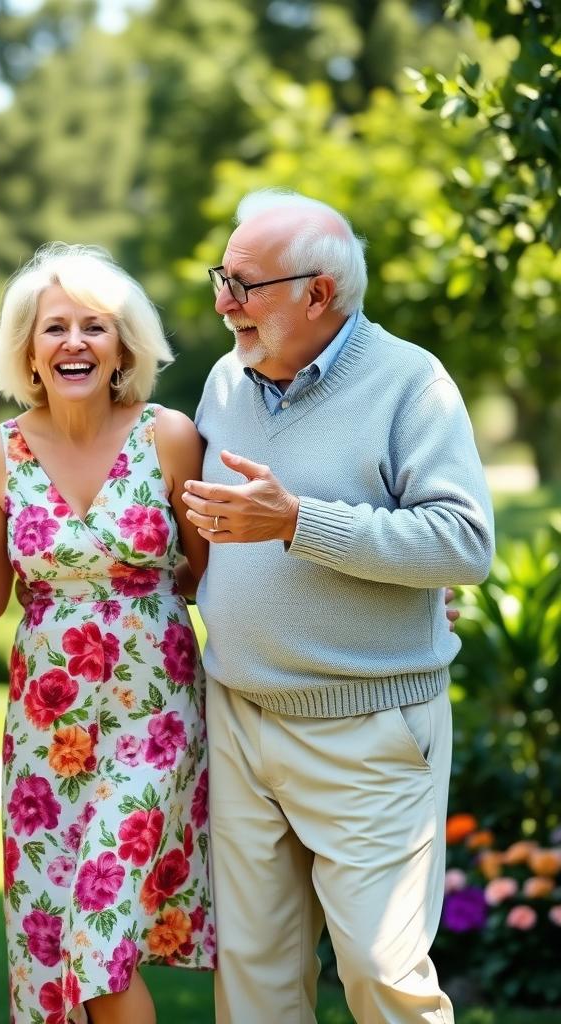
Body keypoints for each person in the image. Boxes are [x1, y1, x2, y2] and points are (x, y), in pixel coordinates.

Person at [182, 190, 494, 1024]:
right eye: (223, 278)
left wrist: (297, 522)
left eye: (244, 284)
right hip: (242, 714)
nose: (223, 302)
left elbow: (464, 544)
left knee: (382, 974)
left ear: (318, 293)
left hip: (368, 728)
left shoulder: (410, 383)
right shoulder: (225, 380)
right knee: (255, 984)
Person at [0, 244, 215, 1024]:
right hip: (46, 734)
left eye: (95, 327)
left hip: (155, 722)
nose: (74, 342)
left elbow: (213, 574)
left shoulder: (168, 437)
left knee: (98, 941)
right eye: (55, 328)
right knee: (50, 948)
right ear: (28, 351)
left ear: (123, 347)